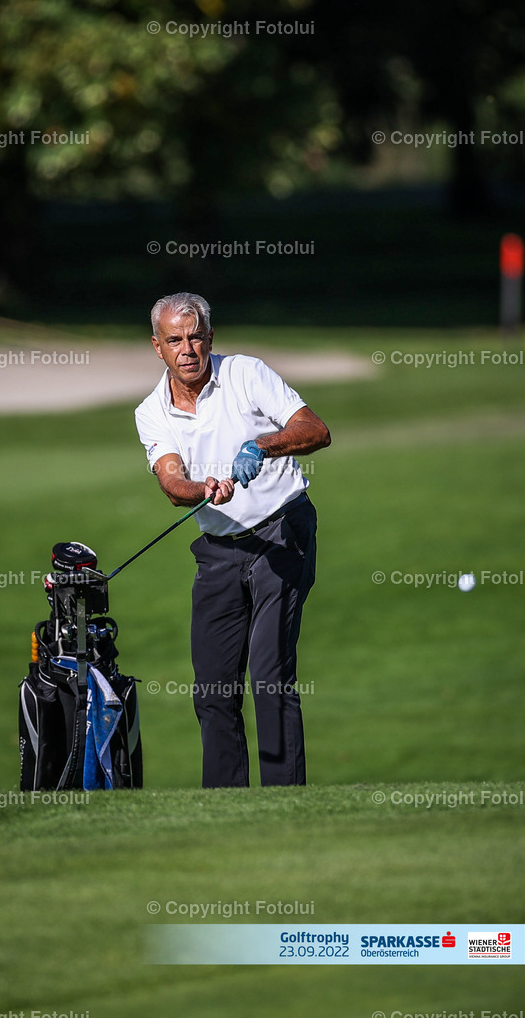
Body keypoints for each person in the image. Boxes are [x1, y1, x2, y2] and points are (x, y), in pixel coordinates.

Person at [134, 292, 331, 788]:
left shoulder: (246, 373)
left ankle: (284, 801)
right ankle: (224, 809)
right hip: (219, 552)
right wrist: (203, 489)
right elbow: (172, 482)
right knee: (213, 691)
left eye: (195, 336)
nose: (187, 349)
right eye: (174, 340)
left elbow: (315, 430)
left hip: (281, 532)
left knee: (269, 676)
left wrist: (260, 445)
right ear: (157, 347)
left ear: (210, 338)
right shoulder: (151, 412)